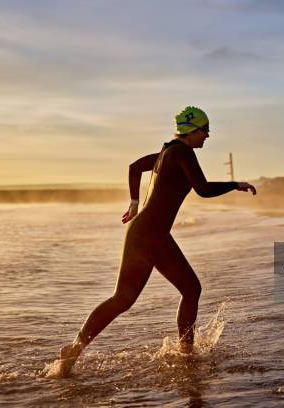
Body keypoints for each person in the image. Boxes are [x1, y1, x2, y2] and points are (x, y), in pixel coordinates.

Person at [58, 106, 256, 375]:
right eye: (205, 130)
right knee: (129, 298)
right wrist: (235, 184)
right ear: (192, 130)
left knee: (181, 290)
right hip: (149, 235)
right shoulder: (181, 152)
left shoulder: (166, 153)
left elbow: (134, 168)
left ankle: (183, 352)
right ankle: (77, 348)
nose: (208, 135)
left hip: (153, 234)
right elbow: (204, 189)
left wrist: (134, 202)